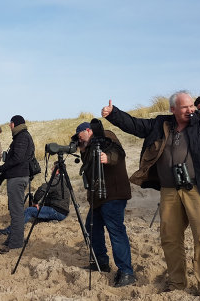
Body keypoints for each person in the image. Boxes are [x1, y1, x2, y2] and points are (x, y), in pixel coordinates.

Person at [101, 91, 200, 301]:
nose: (190, 110)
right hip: (169, 190)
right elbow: (136, 125)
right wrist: (114, 114)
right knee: (170, 238)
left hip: (198, 188)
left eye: (192, 107)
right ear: (173, 110)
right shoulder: (161, 124)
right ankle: (177, 283)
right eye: (185, 107)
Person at [73, 120, 135, 287]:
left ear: (88, 130)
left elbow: (118, 154)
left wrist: (108, 158)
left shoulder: (105, 135)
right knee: (91, 226)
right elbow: (89, 171)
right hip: (98, 197)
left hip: (113, 193)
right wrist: (83, 149)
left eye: (80, 137)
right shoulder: (86, 148)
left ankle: (126, 272)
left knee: (115, 229)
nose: (80, 140)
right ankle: (101, 262)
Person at [0, 115, 35, 254]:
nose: (9, 126)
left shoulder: (22, 136)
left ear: (14, 124)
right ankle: (13, 239)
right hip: (17, 177)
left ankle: (16, 244)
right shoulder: (21, 136)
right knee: (15, 211)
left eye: (10, 124)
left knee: (16, 213)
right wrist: (3, 174)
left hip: (18, 179)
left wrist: (1, 169)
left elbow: (17, 158)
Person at [0, 162, 70, 237]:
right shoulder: (65, 180)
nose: (51, 169)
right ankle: (50, 220)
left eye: (53, 168)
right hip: (62, 211)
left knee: (29, 210)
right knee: (36, 214)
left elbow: (41, 189)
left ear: (57, 171)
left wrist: (35, 202)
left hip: (57, 211)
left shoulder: (56, 181)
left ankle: (9, 231)